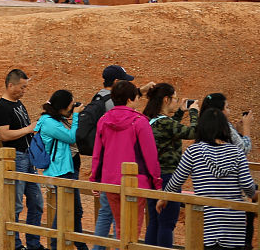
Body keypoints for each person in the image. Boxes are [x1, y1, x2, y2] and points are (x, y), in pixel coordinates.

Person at [161, 108, 257, 248]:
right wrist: (258, 196)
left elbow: (176, 182)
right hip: (234, 225)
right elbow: (248, 187)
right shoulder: (237, 153)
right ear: (225, 128)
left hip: (206, 222)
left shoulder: (193, 152)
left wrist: (163, 198)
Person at [90, 80, 161, 237]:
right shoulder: (140, 121)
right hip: (136, 181)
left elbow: (98, 153)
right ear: (130, 99)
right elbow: (150, 155)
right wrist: (157, 182)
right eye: (137, 97)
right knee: (132, 230)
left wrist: (95, 178)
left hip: (111, 182)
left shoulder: (103, 120)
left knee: (121, 229)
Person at [143, 83, 198, 246]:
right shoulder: (165, 123)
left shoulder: (152, 120)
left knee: (154, 222)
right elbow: (193, 132)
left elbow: (170, 130)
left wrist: (180, 111)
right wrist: (194, 112)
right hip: (169, 178)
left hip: (153, 177)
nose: (177, 101)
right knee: (167, 223)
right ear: (166, 99)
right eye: (175, 98)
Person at [0, 69, 43, 250]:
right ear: (10, 85)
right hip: (15, 158)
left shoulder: (18, 103)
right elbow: (4, 134)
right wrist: (29, 129)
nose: (24, 90)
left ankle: (33, 243)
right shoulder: (2, 107)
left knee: (36, 202)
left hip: (29, 157)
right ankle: (14, 244)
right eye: (22, 87)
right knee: (15, 204)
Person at [37, 91, 86, 250]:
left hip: (68, 169)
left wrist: (74, 114)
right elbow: (71, 137)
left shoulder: (58, 119)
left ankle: (79, 245)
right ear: (62, 107)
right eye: (71, 105)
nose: (73, 108)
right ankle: (55, 245)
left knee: (74, 210)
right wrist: (76, 116)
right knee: (68, 211)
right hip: (61, 171)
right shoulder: (49, 122)